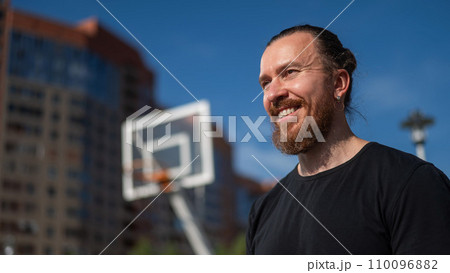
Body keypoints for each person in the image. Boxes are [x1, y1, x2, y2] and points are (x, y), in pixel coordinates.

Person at [246, 25, 450, 255]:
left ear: (338, 84)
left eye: (290, 72)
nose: (272, 94)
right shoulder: (263, 211)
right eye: (266, 83)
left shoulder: (410, 183)